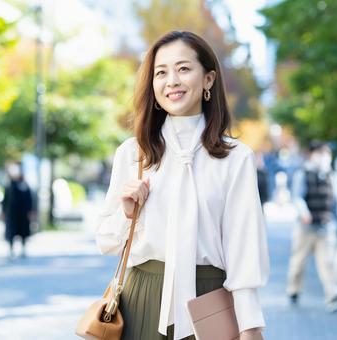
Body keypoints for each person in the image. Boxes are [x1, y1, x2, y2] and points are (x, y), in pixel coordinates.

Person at [95, 31, 269, 340]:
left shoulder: (236, 159)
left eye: (184, 68)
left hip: (211, 301)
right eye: (161, 72)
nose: (171, 80)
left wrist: (250, 326)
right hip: (142, 299)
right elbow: (106, 243)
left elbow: (244, 249)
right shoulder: (134, 153)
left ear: (209, 79)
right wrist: (126, 213)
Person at [287, 141, 337, 313]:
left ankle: (334, 295)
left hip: (325, 227)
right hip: (305, 228)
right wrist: (304, 212)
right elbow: (297, 196)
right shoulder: (303, 173)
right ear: (312, 154)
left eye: (326, 154)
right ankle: (294, 290)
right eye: (320, 153)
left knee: (328, 264)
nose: (324, 157)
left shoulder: (332, 176)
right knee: (298, 262)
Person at [1, 163, 33, 259]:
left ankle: (23, 249)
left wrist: (31, 211)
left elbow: (29, 199)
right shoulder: (9, 185)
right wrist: (3, 212)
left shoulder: (24, 185)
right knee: (11, 232)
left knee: (23, 231)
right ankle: (11, 249)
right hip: (11, 214)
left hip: (23, 213)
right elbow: (5, 200)